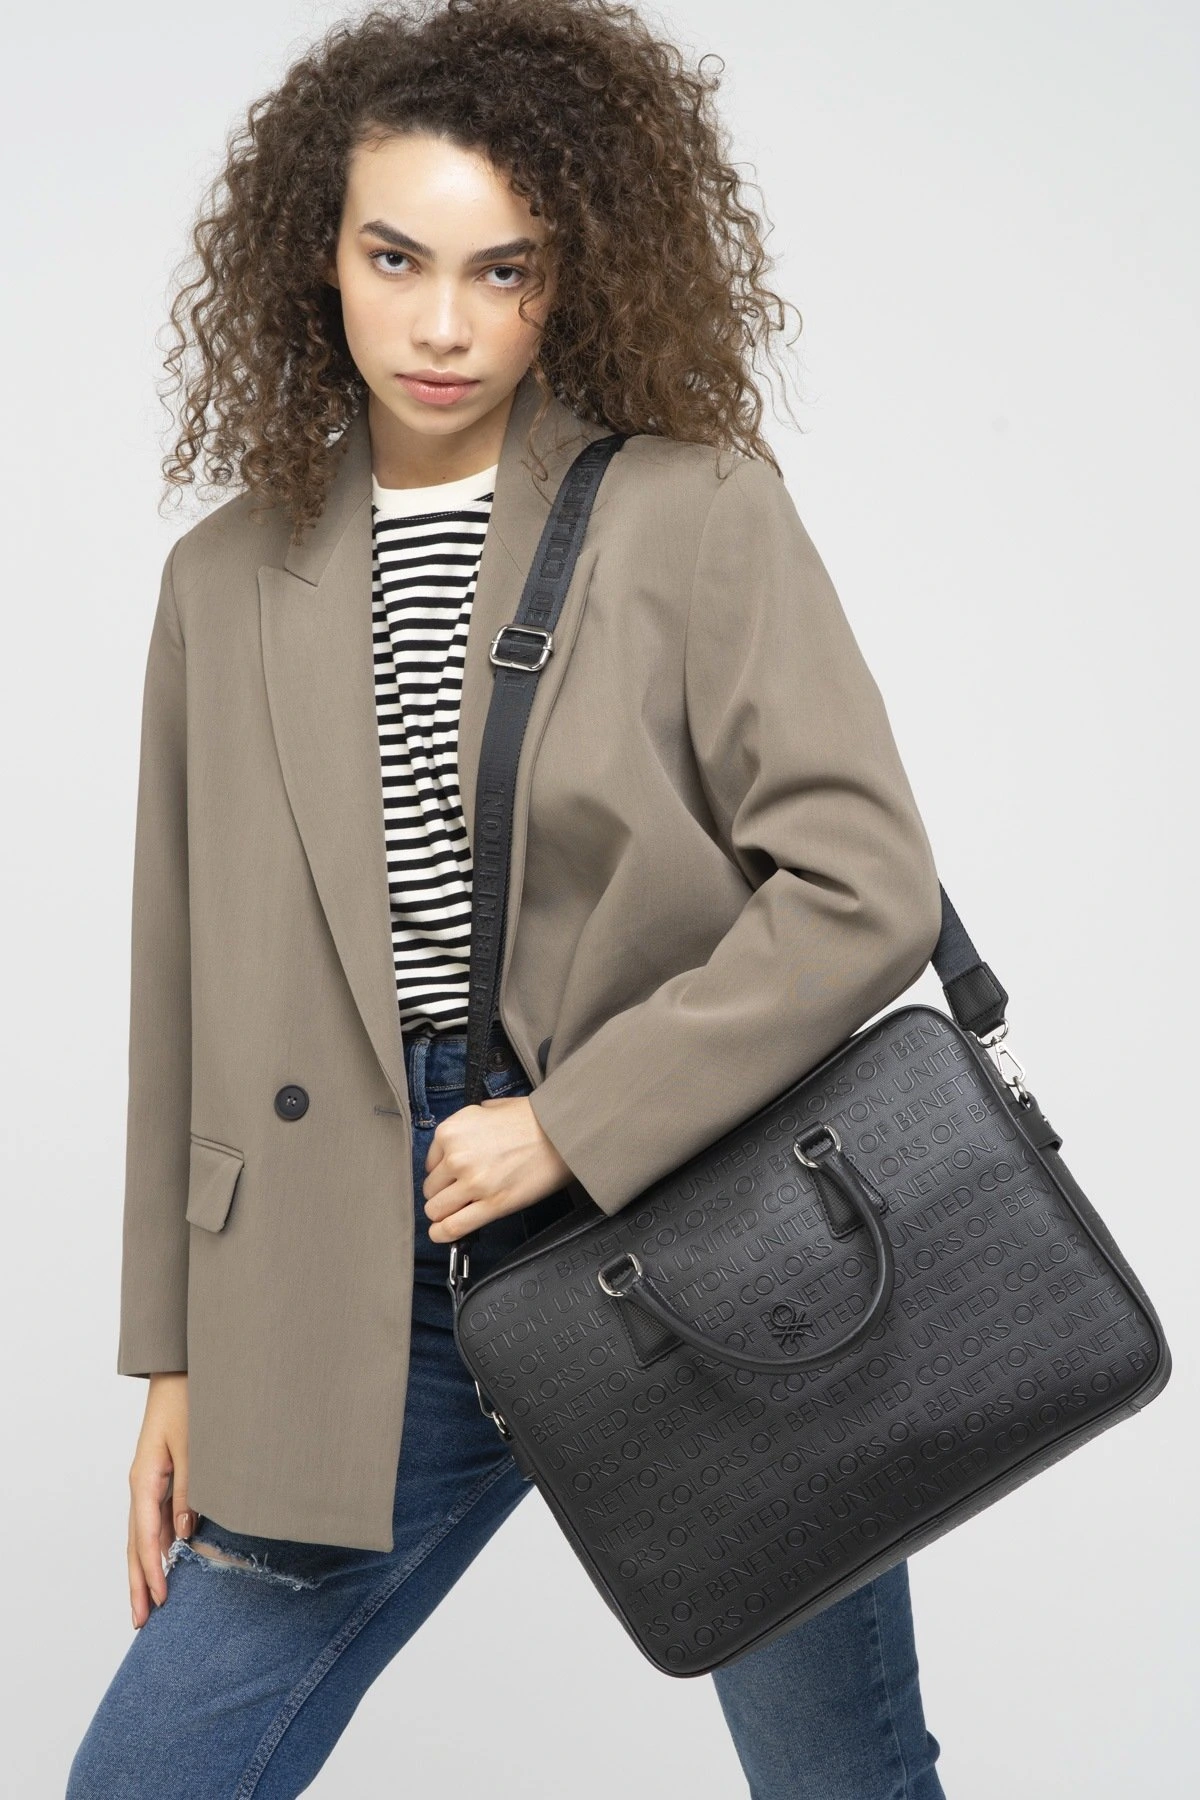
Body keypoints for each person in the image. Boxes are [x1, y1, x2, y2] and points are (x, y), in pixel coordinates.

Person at [68, 2, 948, 1794]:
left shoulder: (696, 515)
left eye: (505, 269)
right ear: (320, 254)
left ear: (574, 275)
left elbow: (867, 888)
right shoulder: (222, 578)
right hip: (341, 1258)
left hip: (688, 1218)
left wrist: (571, 1120)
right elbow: (183, 986)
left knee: (838, 1781)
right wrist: (175, 1360)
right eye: (395, 258)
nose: (444, 325)